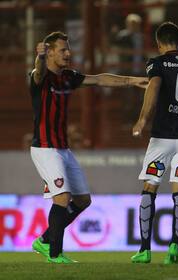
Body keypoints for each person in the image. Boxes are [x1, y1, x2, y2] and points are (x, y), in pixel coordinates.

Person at [30, 31, 148, 263]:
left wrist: (132, 81)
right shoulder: (40, 77)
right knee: (62, 198)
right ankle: (55, 255)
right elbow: (38, 71)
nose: (68, 53)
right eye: (62, 50)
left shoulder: (68, 77)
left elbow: (99, 79)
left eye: (68, 49)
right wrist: (40, 57)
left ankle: (44, 240)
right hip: (44, 148)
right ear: (50, 51)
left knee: (83, 200)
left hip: (63, 149)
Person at [130, 22, 178, 264]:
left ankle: (145, 249)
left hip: (162, 138)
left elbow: (153, 86)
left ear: (159, 44)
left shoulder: (158, 62)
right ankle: (174, 246)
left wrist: (142, 119)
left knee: (150, 188)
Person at [113, 13, 145, 125]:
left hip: (140, 71)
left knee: (141, 98)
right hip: (127, 71)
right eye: (132, 24)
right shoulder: (123, 36)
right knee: (128, 98)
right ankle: (127, 121)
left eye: (136, 24)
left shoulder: (142, 37)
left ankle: (138, 120)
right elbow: (116, 44)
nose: (134, 26)